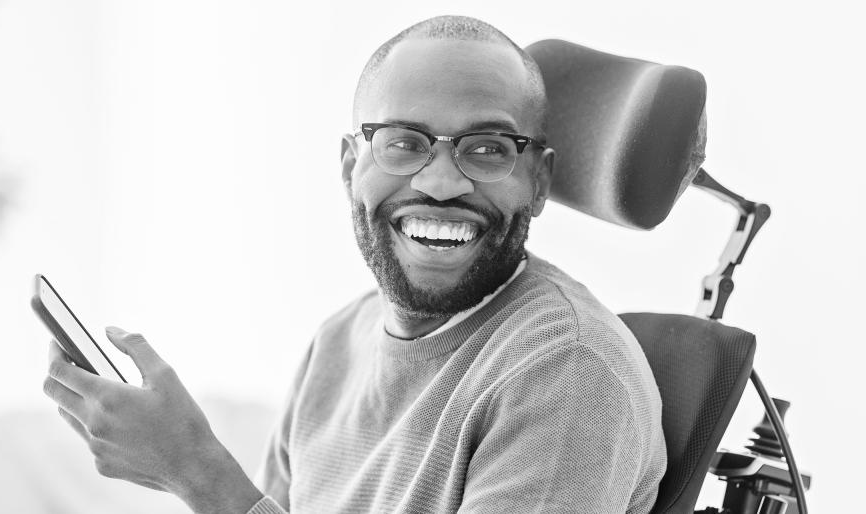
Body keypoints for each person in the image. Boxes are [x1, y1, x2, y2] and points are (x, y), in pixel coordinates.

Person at [42, 15, 667, 514]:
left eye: (486, 149)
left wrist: (198, 473)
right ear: (350, 168)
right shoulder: (337, 343)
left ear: (538, 180)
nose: (442, 183)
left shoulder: (570, 376)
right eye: (404, 142)